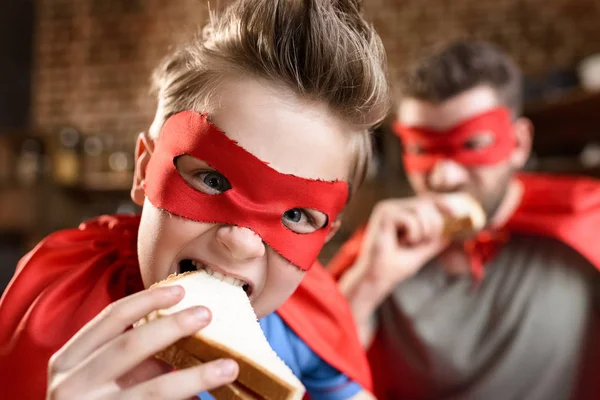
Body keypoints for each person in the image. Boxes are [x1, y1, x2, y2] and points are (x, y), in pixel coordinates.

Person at [0, 1, 390, 398]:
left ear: (322, 240)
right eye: (212, 179)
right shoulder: (58, 308)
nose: (240, 242)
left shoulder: (304, 318)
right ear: (144, 170)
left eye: (295, 215)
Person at [328, 41, 600, 400]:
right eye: (422, 150)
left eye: (471, 146)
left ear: (518, 144)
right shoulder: (381, 247)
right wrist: (368, 281)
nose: (443, 178)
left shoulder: (584, 220)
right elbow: (314, 371)